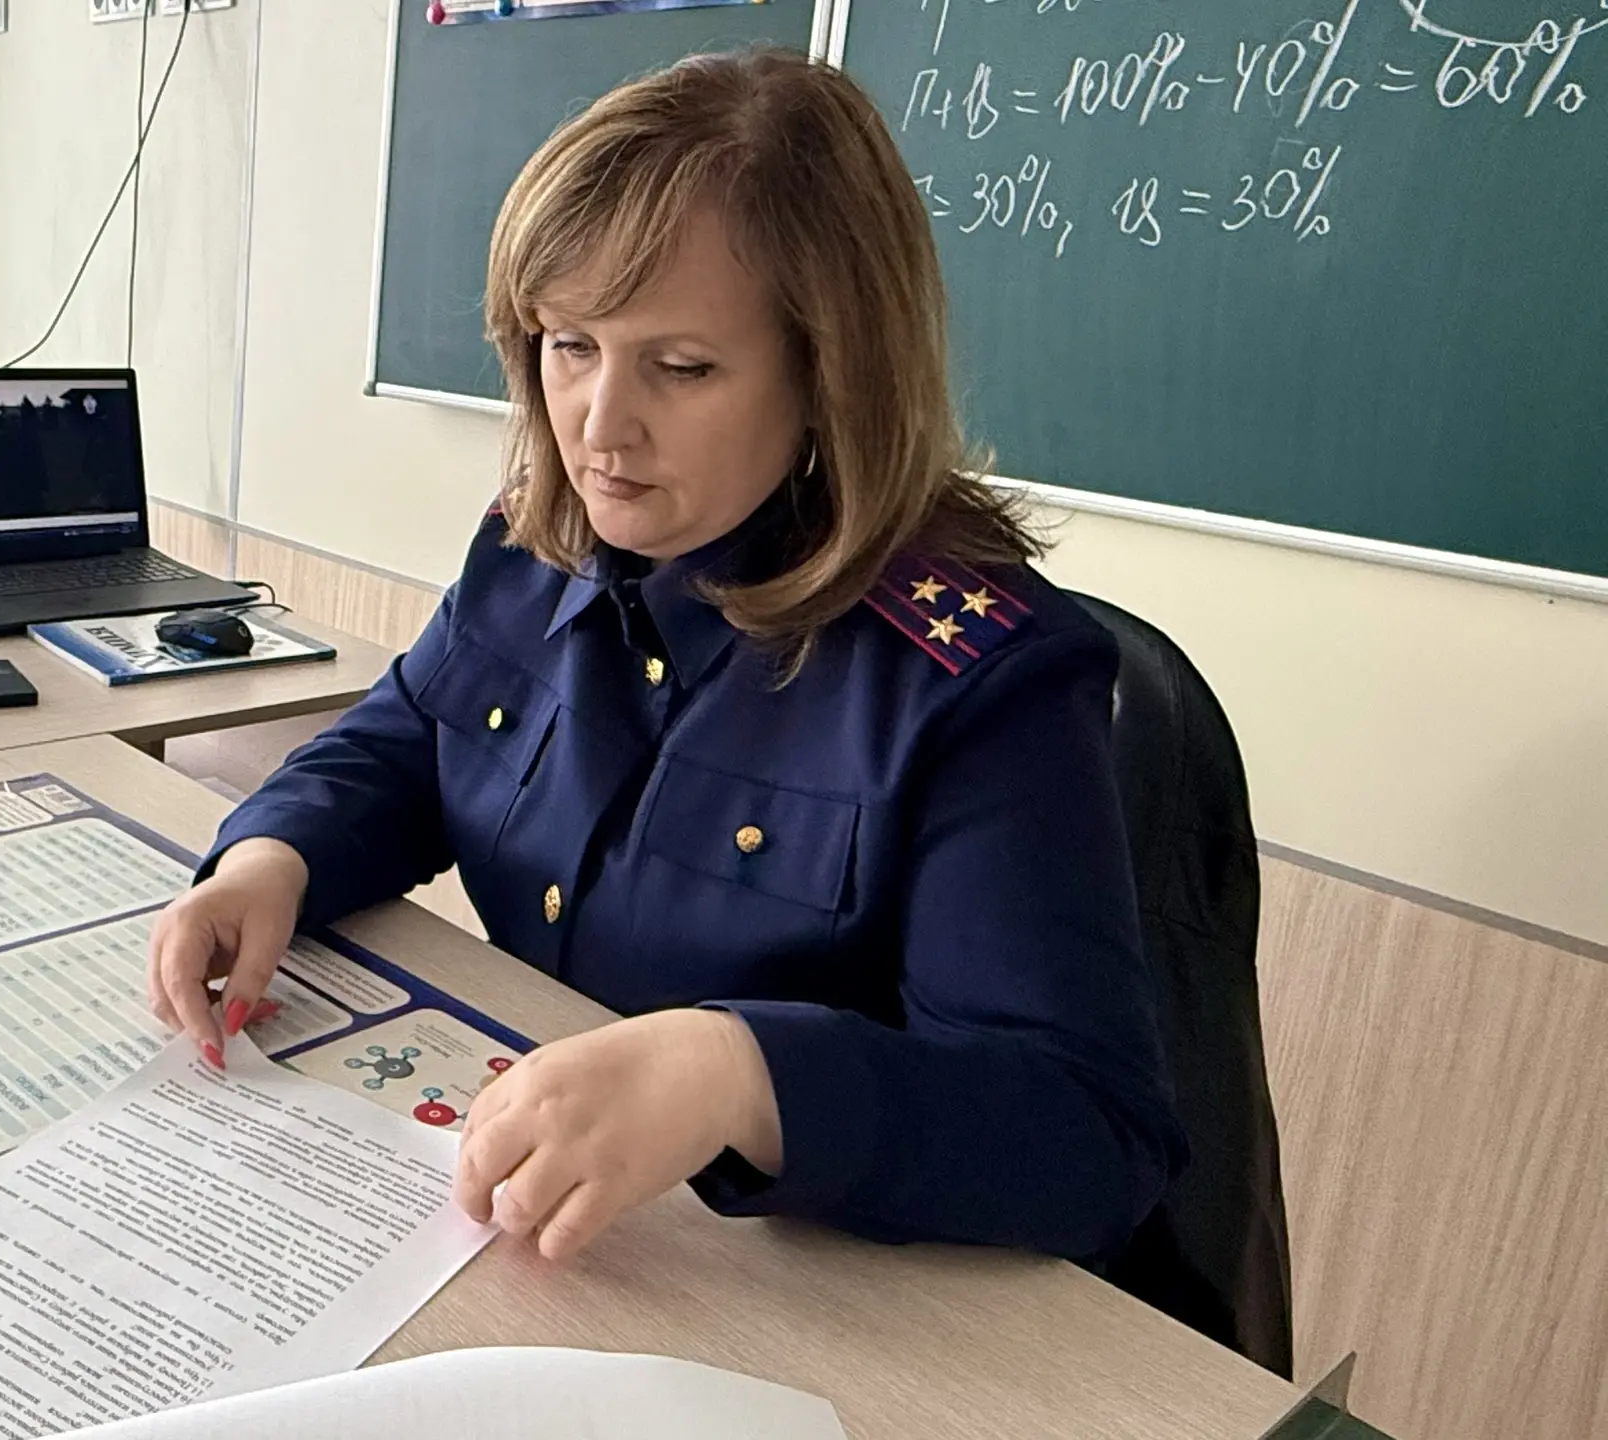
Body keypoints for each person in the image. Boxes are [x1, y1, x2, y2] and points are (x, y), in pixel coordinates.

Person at [148, 47, 1185, 1269]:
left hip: (802, 1284)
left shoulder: (982, 679)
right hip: (545, 1228)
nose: (599, 427)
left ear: (830, 373)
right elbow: (411, 738)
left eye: (681, 367)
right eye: (568, 344)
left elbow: (1087, 1134)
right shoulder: (540, 538)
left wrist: (737, 1072)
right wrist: (272, 857)